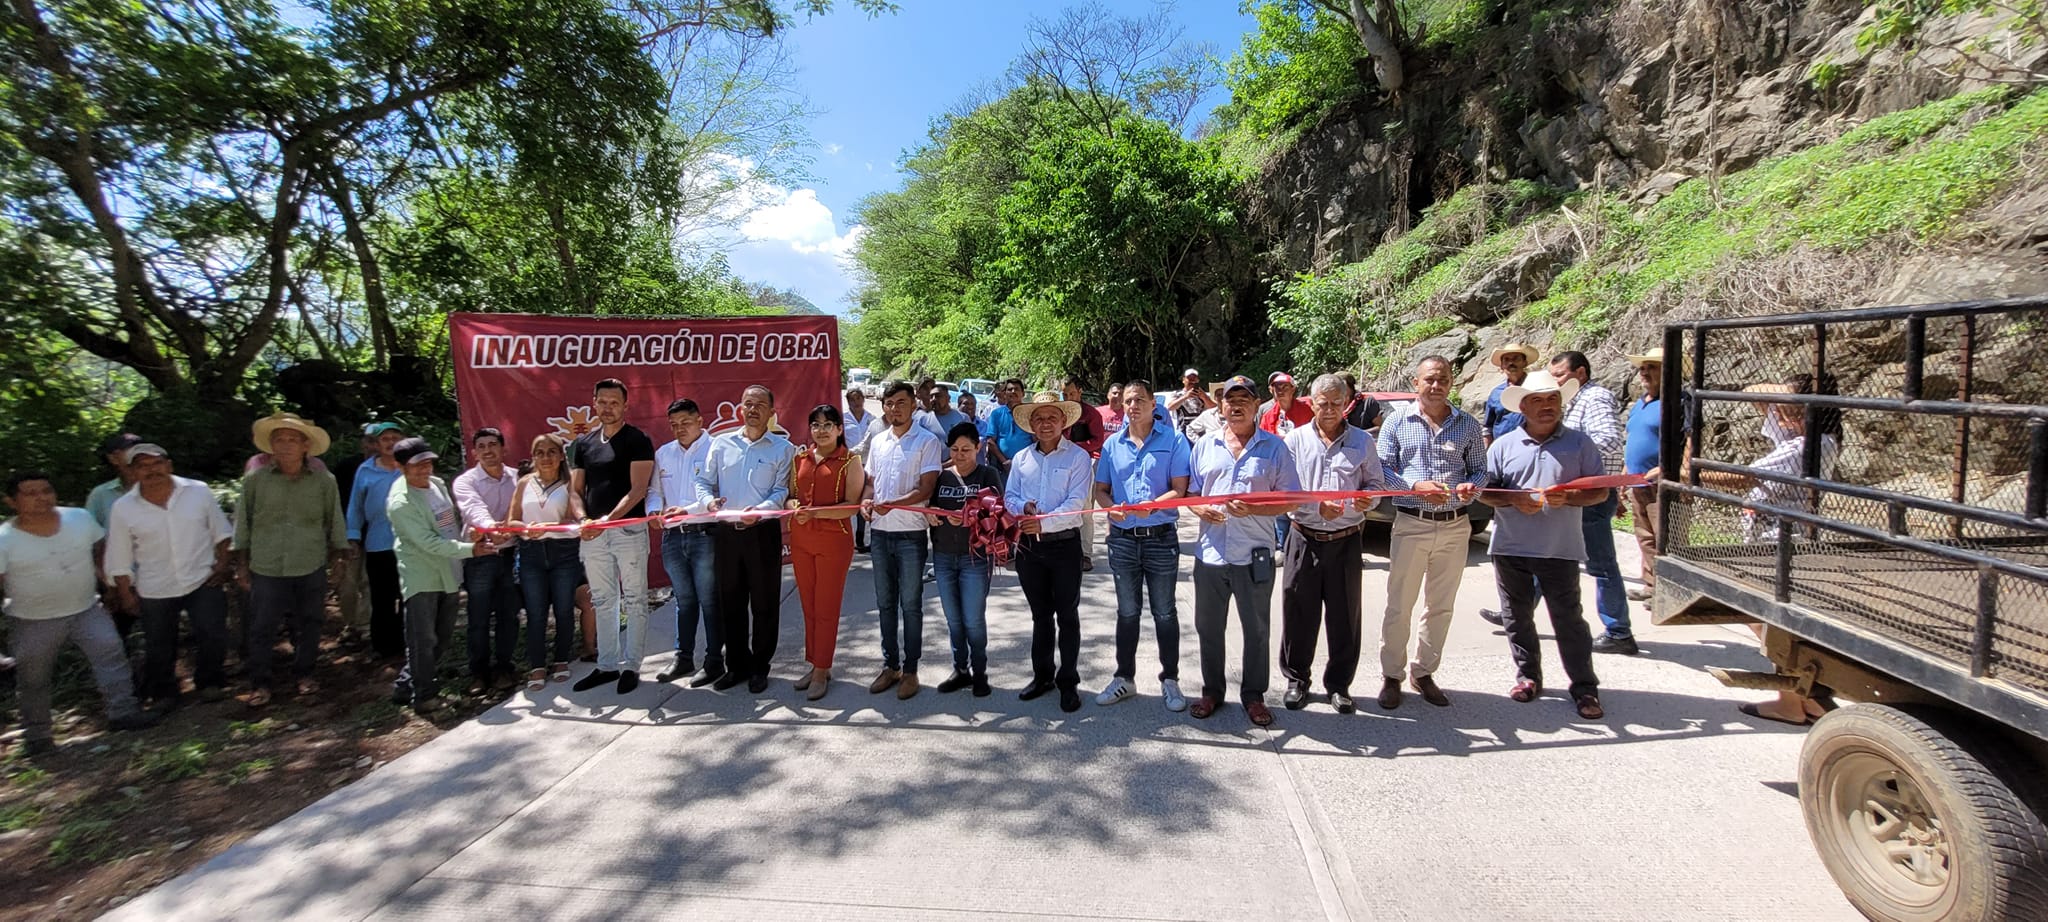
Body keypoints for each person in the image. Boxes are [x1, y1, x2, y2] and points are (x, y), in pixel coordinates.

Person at [1695, 374, 1841, 726]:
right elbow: (1751, 394)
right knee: (1764, 618)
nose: (1777, 411)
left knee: (1764, 618)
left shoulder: (1808, 445)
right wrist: (1791, 399)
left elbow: (1745, 477)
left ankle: (1793, 698)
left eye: (1789, 405)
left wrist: (1692, 475)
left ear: (1807, 409)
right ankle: (1801, 697)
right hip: (1768, 540)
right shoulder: (1801, 437)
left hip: (1777, 542)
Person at [1477, 369, 1612, 720]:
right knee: (1517, 618)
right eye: (1537, 400)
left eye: (1552, 399)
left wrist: (1572, 498)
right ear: (1522, 406)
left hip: (1560, 547)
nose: (1546, 406)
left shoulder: (1580, 443)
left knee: (1569, 621)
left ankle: (1584, 688)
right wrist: (1515, 500)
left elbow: (1600, 491)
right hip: (1510, 547)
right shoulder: (1504, 445)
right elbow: (1486, 492)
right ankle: (1528, 676)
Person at [1, 472, 155, 756]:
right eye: (30, 493)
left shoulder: (79, 518)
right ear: (11, 501)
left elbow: (99, 551)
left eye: (46, 490)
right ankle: (37, 736)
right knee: (33, 678)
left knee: (112, 655)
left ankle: (123, 714)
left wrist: (109, 586)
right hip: (32, 620)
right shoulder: (4, 538)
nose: (40, 498)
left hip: (86, 608)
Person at [1186, 376, 1301, 727]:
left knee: (1256, 630)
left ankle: (1253, 696)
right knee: (1208, 628)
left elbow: (1290, 499)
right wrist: (1199, 510)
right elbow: (1191, 493)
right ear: (1220, 407)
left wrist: (1254, 509)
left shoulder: (1275, 448)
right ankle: (1212, 691)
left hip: (1254, 554)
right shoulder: (1205, 446)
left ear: (1256, 406)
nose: (1236, 406)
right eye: (1229, 400)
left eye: (1244, 400)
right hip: (1210, 554)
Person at [1375, 356, 1489, 709]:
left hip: (1456, 526)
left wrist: (1473, 487)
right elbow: (1380, 470)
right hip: (1411, 522)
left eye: (1442, 379)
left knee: (1440, 607)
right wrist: (1414, 486)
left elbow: (1481, 470)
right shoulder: (1396, 423)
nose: (1436, 386)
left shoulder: (1467, 425)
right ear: (1416, 383)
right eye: (1429, 380)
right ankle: (1391, 675)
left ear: (1451, 383)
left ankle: (1423, 672)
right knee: (1400, 605)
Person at [1280, 374, 1385, 713]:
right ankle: (1297, 679)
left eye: (1336, 403)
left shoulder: (1363, 442)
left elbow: (1375, 484)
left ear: (1347, 404)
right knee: (1298, 613)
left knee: (1344, 617)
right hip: (1303, 538)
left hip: (1346, 541)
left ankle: (1339, 685)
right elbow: (1284, 493)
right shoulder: (1293, 441)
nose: (1328, 410)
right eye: (1322, 403)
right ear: (1311, 402)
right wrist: (1315, 506)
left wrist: (1369, 499)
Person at [104, 443, 233, 707]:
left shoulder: (197, 491)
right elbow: (119, 554)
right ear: (131, 472)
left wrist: (222, 565)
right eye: (143, 466)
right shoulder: (123, 507)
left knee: (213, 632)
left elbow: (220, 531)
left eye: (157, 463)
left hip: (201, 577)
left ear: (169, 465)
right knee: (159, 643)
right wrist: (125, 593)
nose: (152, 470)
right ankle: (164, 693)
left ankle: (210, 682)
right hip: (154, 584)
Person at [234, 413, 348, 706]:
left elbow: (333, 519)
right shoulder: (256, 480)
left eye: (292, 440)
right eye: (279, 440)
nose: (285, 446)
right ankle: (260, 682)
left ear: (305, 446)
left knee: (309, 622)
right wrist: (241, 565)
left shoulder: (323, 481)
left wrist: (338, 558)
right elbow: (243, 523)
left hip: (310, 562)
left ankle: (305, 674)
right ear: (270, 446)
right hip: (267, 564)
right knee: (262, 626)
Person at [1092, 379, 1190, 711]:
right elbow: (1100, 488)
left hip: (1160, 537)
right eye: (1128, 401)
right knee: (1127, 612)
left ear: (1153, 404)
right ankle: (1124, 678)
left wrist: (1155, 504)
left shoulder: (1174, 440)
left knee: (1164, 612)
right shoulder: (1111, 445)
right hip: (1122, 540)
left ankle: (1171, 680)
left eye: (1139, 400)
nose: (1132, 406)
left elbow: (1180, 489)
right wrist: (1109, 506)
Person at [695, 384, 797, 694]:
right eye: (747, 404)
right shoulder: (721, 444)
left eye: (759, 405)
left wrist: (763, 509)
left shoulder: (783, 449)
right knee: (731, 602)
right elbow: (703, 481)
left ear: (771, 412)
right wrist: (707, 503)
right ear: (741, 409)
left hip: (762, 532)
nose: (752, 410)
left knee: (765, 603)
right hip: (727, 534)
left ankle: (759, 667)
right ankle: (735, 666)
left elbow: (782, 491)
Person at [387, 437, 500, 712]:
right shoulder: (401, 502)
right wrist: (470, 550)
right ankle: (424, 697)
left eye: (427, 462)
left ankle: (406, 685)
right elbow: (428, 543)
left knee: (442, 637)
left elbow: (448, 524)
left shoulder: (437, 485)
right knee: (422, 640)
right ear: (400, 467)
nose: (425, 469)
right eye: (417, 465)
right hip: (422, 577)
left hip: (449, 571)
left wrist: (470, 537)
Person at [1006, 391, 1094, 713]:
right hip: (1029, 548)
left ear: (1063, 422)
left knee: (1067, 616)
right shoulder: (1021, 459)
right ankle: (1042, 676)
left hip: (1064, 546)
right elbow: (1010, 496)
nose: (1045, 424)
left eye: (1051, 418)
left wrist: (1043, 523)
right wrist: (1022, 508)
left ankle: (1068, 682)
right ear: (1031, 424)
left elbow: (1076, 506)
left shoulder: (1078, 458)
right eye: (1039, 418)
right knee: (1040, 616)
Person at [570, 378, 657, 694]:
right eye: (602, 401)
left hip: (628, 530)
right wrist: (583, 519)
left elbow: (638, 490)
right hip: (594, 535)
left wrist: (608, 520)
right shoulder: (584, 444)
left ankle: (632, 666)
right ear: (594, 402)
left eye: (614, 402)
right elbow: (576, 491)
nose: (608, 407)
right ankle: (607, 665)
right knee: (604, 599)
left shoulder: (638, 440)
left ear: (625, 406)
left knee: (634, 598)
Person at [859, 381, 942, 699]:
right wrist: (867, 501)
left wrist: (893, 504)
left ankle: (910, 670)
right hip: (879, 533)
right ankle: (890, 665)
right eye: (890, 403)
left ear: (913, 405)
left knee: (911, 605)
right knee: (884, 604)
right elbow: (870, 483)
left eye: (901, 402)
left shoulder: (927, 441)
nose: (895, 408)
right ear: (884, 407)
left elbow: (926, 488)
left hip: (910, 533)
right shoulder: (878, 441)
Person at [1551, 350, 1633, 655]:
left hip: (1592, 497)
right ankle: (1515, 614)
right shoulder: (1575, 401)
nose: (1555, 380)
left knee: (1601, 565)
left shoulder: (1594, 398)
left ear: (1581, 373)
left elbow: (1610, 441)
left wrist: (1569, 452)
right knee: (1545, 553)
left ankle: (1619, 630)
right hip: (1577, 495)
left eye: (1560, 374)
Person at [786, 405, 864, 701]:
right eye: (816, 425)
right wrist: (795, 508)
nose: (821, 430)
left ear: (839, 430)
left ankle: (822, 669)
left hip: (834, 542)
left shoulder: (849, 461)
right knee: (809, 606)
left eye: (828, 425)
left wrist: (815, 513)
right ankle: (816, 663)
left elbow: (851, 506)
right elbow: (791, 495)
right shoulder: (800, 459)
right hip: (802, 541)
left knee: (827, 608)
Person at [647, 398, 722, 686]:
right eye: (674, 425)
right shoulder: (663, 453)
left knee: (709, 600)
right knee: (684, 600)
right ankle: (683, 657)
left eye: (685, 423)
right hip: (673, 537)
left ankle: (714, 660)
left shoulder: (716, 449)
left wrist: (688, 511)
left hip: (705, 533)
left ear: (700, 421)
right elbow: (655, 492)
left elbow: (719, 495)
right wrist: (653, 510)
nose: (680, 429)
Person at [928, 422, 1001, 697]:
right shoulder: (941, 477)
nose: (960, 455)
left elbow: (997, 513)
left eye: (966, 449)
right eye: (955, 449)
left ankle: (980, 672)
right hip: (944, 556)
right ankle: (960, 669)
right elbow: (929, 507)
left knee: (973, 619)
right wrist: (930, 513)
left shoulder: (987, 474)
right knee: (953, 619)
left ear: (978, 448)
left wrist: (971, 517)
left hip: (976, 559)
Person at [449, 427, 522, 693]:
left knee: (509, 615)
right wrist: (493, 527)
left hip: (511, 555)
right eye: (482, 446)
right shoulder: (465, 482)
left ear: (504, 449)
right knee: (478, 617)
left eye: (493, 445)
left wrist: (510, 531)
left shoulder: (518, 479)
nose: (488, 451)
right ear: (474, 452)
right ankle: (478, 673)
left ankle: (504, 667)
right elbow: (472, 509)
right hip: (480, 554)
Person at [506, 434, 578, 691]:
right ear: (533, 456)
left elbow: (574, 520)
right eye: (540, 452)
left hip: (564, 553)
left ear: (561, 456)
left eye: (551, 452)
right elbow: (511, 520)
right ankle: (537, 664)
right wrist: (526, 529)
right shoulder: (525, 482)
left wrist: (550, 526)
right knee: (535, 613)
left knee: (563, 609)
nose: (546, 457)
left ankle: (561, 659)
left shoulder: (570, 483)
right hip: (531, 553)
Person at [1620, 348, 1682, 605]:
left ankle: (1670, 591)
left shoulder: (1677, 402)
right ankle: (1651, 585)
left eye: (1652, 367)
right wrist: (1624, 476)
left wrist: (1665, 467)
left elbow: (1685, 440)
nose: (1644, 372)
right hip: (1637, 480)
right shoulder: (1640, 404)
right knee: (1644, 535)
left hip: (1661, 482)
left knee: (1666, 539)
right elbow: (1632, 440)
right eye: (1643, 368)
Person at [346, 421, 408, 658]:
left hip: (410, 542)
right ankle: (382, 646)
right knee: (381, 597)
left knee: (407, 595)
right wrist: (352, 536)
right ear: (377, 444)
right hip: (378, 542)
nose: (390, 443)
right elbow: (355, 507)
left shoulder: (410, 466)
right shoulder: (366, 470)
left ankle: (406, 643)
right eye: (385, 439)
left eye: (395, 438)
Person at [335, 426, 379, 647]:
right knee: (347, 584)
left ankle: (364, 628)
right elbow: (335, 503)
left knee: (368, 582)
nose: (373, 446)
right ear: (363, 443)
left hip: (375, 536)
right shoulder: (346, 468)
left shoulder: (389, 469)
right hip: (346, 534)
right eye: (370, 441)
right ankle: (349, 624)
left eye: (377, 441)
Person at [1059, 376, 1107, 572]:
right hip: (1059, 465)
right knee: (1062, 507)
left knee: (1085, 510)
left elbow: (1097, 440)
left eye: (1071, 393)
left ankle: (1086, 553)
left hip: (1083, 464)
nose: (1068, 396)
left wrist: (1073, 448)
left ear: (1079, 391)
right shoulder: (1059, 411)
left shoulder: (1091, 413)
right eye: (1065, 393)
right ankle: (1064, 552)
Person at [1483, 343, 1541, 445]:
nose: (1511, 362)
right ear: (1502, 365)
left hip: (1532, 446)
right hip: (1502, 448)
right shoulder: (1496, 393)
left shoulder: (1536, 387)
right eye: (1506, 360)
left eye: (1516, 359)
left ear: (1525, 362)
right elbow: (1488, 428)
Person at [85, 432, 143, 528]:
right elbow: (90, 533)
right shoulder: (100, 494)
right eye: (129, 450)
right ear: (113, 458)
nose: (136, 454)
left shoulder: (164, 487)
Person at [843, 388, 876, 553]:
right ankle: (857, 537)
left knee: (868, 499)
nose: (856, 403)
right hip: (851, 465)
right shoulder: (843, 420)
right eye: (852, 400)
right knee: (854, 500)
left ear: (863, 399)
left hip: (869, 464)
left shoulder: (872, 419)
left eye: (858, 399)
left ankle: (869, 539)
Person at [983, 378, 1033, 476]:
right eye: (1010, 389)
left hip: (1027, 465)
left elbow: (1036, 439)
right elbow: (990, 441)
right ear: (1005, 393)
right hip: (1002, 466)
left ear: (1023, 394)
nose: (1013, 392)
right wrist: (1005, 462)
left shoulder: (1030, 414)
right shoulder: (996, 414)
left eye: (1016, 389)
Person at [916, 377, 971, 443]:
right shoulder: (923, 420)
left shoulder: (963, 418)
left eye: (938, 396)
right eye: (931, 397)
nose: (933, 399)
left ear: (948, 398)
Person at [1168, 368, 1217, 438]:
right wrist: (1185, 396)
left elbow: (1214, 409)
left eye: (1194, 379)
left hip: (1201, 429)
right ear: (1183, 380)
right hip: (1183, 429)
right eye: (1189, 379)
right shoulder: (1177, 394)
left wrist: (1204, 397)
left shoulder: (1203, 395)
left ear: (1198, 380)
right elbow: (1170, 407)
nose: (1192, 381)